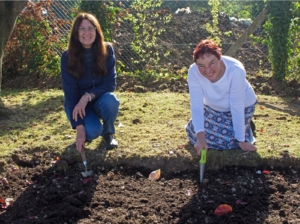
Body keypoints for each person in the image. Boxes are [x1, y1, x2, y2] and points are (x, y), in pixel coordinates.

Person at [186, 39, 257, 155]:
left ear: (219, 59)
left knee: (227, 141)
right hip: (213, 108)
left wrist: (241, 141)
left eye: (211, 63)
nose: (207, 70)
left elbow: (237, 106)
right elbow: (197, 105)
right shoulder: (193, 71)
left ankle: (245, 130)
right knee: (193, 130)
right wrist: (200, 137)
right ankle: (241, 127)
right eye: (201, 66)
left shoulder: (235, 70)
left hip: (241, 107)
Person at [61, 13, 119, 152]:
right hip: (78, 106)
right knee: (92, 132)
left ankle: (108, 133)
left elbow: (110, 84)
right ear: (76, 32)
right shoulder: (67, 57)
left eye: (90, 28)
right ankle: (88, 130)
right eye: (82, 29)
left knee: (111, 100)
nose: (86, 33)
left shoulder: (107, 50)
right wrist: (79, 128)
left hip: (100, 101)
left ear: (96, 30)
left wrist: (87, 96)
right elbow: (70, 93)